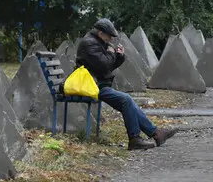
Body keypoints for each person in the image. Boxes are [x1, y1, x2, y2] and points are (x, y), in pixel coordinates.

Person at [76, 18, 178, 150]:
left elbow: (107, 67)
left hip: (96, 84)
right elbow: (104, 64)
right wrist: (112, 53)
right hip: (91, 86)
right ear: (101, 33)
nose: (111, 39)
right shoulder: (89, 44)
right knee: (126, 100)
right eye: (109, 36)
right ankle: (136, 138)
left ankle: (156, 133)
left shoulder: (97, 43)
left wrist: (119, 56)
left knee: (127, 102)